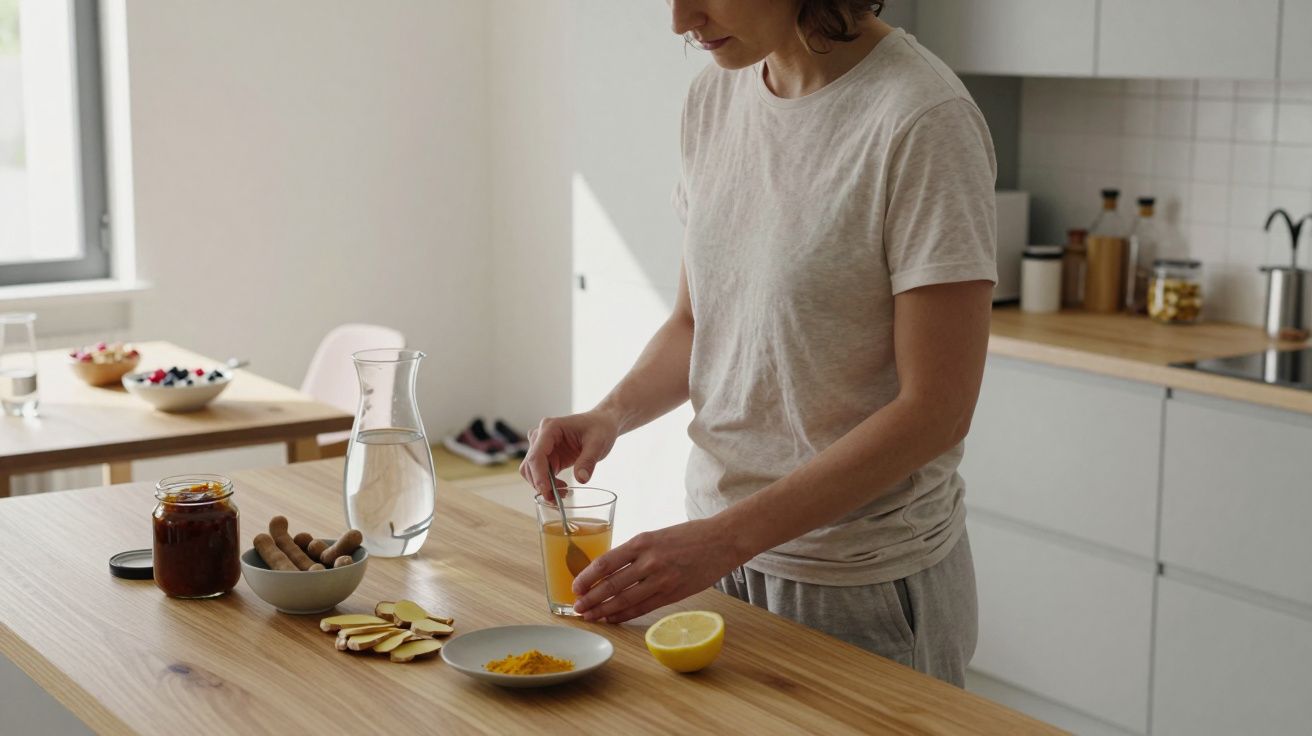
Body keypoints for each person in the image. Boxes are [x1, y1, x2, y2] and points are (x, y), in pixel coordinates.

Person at [521, 0, 996, 687]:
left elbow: (937, 412)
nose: (680, 20)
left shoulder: (922, 118)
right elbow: (697, 322)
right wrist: (608, 415)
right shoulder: (714, 97)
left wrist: (721, 540)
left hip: (858, 582)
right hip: (721, 566)